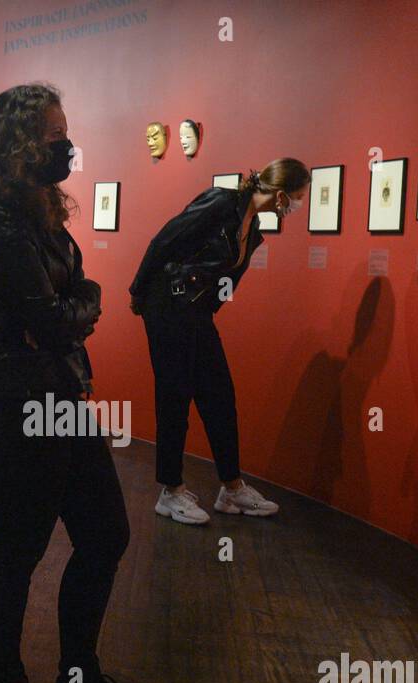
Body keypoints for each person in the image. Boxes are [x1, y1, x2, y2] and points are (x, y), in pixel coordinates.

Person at [0, 83, 152, 683]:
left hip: (60, 396)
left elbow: (66, 308)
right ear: (17, 144)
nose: (64, 146)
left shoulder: (40, 215)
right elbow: (50, 317)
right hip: (10, 405)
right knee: (16, 554)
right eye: (52, 136)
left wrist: (75, 308)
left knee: (105, 534)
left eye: (65, 134)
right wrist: (79, 308)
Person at [129, 159, 310, 524]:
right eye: (297, 198)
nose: (297, 206)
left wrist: (208, 309)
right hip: (168, 307)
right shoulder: (221, 203)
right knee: (174, 397)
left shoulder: (253, 225)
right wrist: (139, 293)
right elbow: (164, 240)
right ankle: (170, 490)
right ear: (279, 194)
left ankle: (231, 487)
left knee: (219, 396)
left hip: (196, 314)